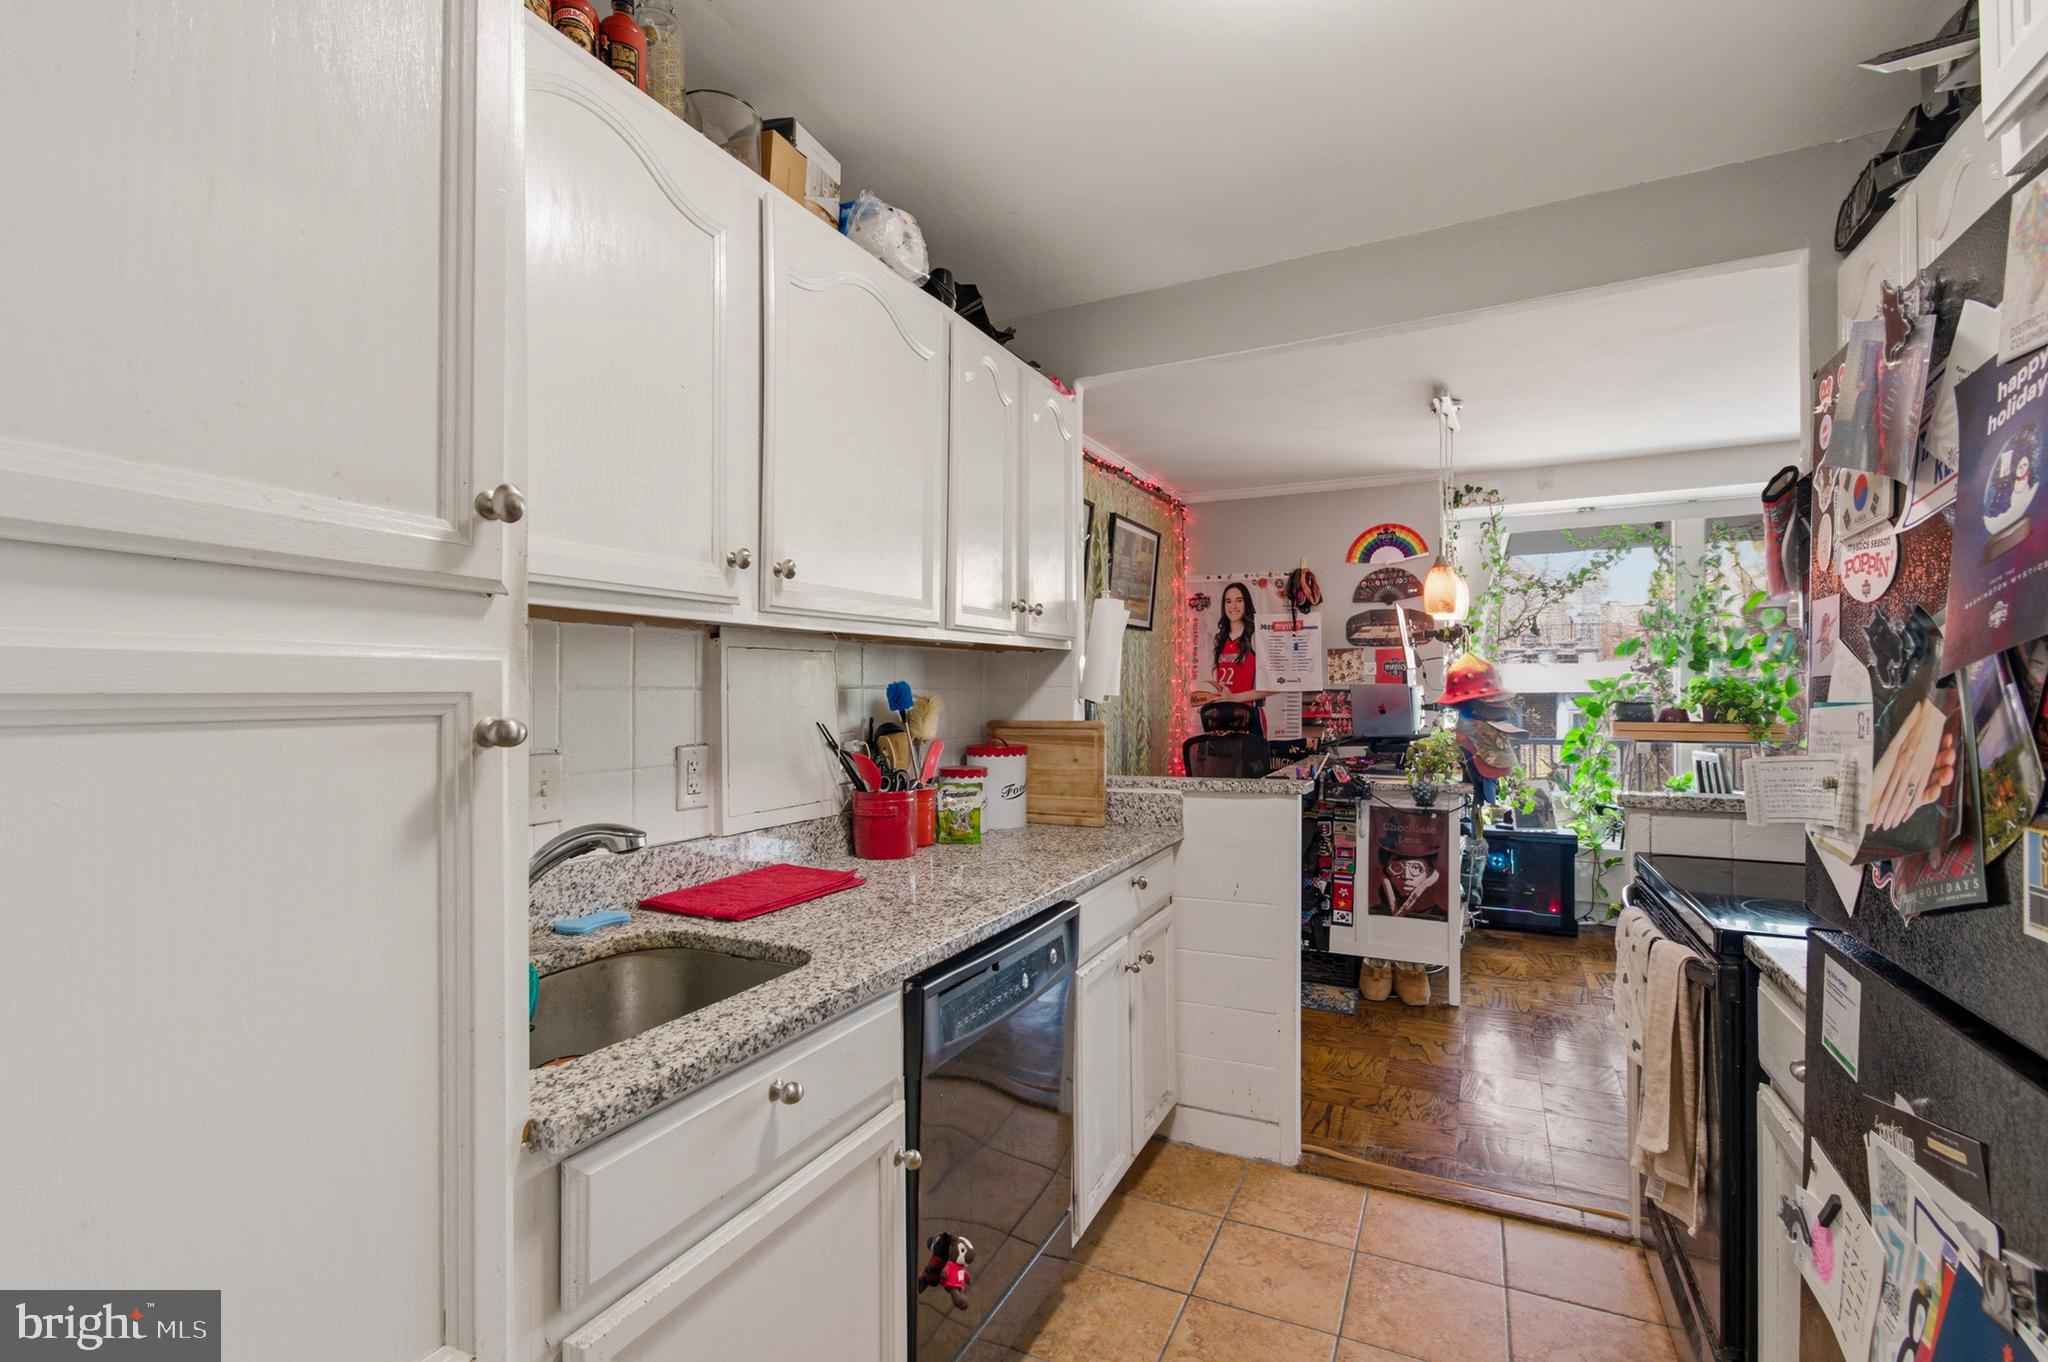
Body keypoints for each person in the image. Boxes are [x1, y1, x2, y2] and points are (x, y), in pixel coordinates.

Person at [1189, 581, 1275, 734]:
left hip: (1249, 714)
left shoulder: (1255, 636)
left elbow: (1274, 686)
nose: (1233, 606)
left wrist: (1235, 697)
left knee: (1252, 758)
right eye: (1228, 601)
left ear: (1246, 603)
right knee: (1223, 758)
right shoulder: (1220, 639)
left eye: (1239, 600)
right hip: (1224, 714)